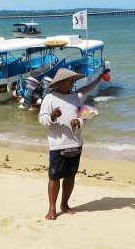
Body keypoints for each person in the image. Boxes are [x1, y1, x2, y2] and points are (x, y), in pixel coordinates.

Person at [38, 67, 87, 221]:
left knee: (70, 177)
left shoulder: (76, 97)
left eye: (73, 80)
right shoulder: (50, 98)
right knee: (54, 177)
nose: (72, 83)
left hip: (75, 142)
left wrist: (78, 121)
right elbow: (41, 119)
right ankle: (52, 208)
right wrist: (52, 116)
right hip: (58, 145)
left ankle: (64, 204)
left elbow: (84, 115)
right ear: (60, 83)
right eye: (70, 80)